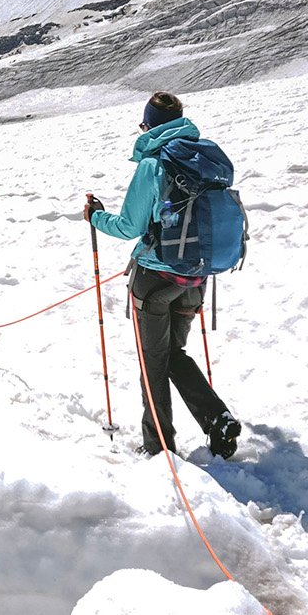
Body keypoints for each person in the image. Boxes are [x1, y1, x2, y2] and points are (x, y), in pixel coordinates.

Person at [85, 91, 242, 459]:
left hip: (154, 278)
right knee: (173, 353)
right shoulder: (206, 157)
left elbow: (128, 226)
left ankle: (158, 448)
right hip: (196, 277)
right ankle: (216, 418)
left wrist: (95, 216)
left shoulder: (153, 164)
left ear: (149, 127)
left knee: (153, 361)